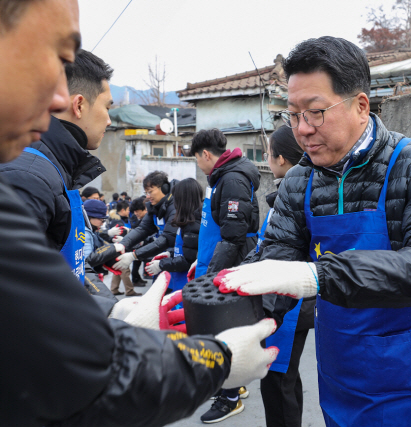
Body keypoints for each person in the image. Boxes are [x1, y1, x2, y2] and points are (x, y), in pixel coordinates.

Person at [0, 1, 277, 425]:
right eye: (48, 59)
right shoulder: (29, 175)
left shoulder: (56, 173)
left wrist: (110, 309)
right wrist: (215, 360)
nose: (55, 95)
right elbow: (79, 364)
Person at [212, 36, 411, 427]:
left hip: (403, 366)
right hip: (339, 360)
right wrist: (227, 324)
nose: (302, 129)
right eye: (292, 115)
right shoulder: (301, 180)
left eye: (315, 113)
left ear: (361, 106)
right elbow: (277, 257)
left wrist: (318, 275)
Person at [0, 47, 111, 281]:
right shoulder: (27, 177)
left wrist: (110, 311)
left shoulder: (56, 168)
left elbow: (70, 270)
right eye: (107, 107)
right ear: (79, 105)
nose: (109, 120)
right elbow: (17, 293)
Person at [189, 128, 261, 423]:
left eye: (197, 159)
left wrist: (212, 277)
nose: (199, 165)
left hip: (233, 259)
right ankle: (233, 385)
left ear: (206, 154)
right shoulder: (221, 175)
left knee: (224, 328)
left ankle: (229, 397)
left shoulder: (231, 179)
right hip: (221, 256)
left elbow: (233, 236)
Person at [250, 126, 310, 427]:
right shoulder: (285, 192)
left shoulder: (293, 195)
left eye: (268, 152)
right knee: (284, 377)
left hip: (287, 300)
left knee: (277, 379)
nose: (266, 157)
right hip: (284, 295)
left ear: (282, 159)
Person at [113, 171, 179, 273]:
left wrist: (134, 255)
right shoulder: (155, 207)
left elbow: (167, 238)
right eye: (146, 193)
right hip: (161, 258)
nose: (147, 196)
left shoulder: (175, 207)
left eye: (150, 192)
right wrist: (122, 244)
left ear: (164, 188)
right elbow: (142, 229)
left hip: (176, 259)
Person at [145, 178, 202, 293]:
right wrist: (170, 253)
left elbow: (188, 260)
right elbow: (186, 249)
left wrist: (161, 265)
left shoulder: (193, 224)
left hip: (187, 284)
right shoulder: (187, 221)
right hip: (179, 281)